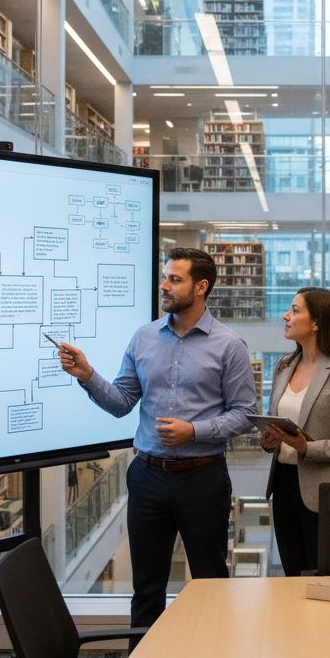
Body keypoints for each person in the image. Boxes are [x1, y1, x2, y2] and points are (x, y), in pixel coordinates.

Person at [57, 247, 257, 629]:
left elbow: (245, 414)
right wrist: (87, 374)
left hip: (203, 479)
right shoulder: (144, 337)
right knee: (146, 590)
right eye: (165, 277)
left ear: (201, 287)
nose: (164, 286)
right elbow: (121, 402)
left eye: (175, 279)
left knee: (211, 584)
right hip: (147, 477)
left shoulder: (229, 345)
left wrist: (194, 431)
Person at [260, 288, 330, 576]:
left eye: (295, 310)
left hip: (326, 492)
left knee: (323, 578)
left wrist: (307, 447)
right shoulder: (284, 366)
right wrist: (268, 439)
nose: (286, 315)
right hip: (283, 484)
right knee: (292, 577)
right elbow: (278, 425)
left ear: (317, 323)